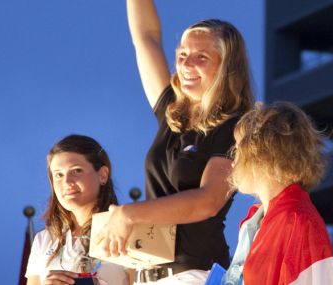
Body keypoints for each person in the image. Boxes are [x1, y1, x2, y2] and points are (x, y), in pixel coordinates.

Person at [92, 1, 254, 284]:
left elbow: (209, 201)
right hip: (149, 274)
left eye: (201, 57)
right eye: (182, 54)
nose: (186, 64)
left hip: (196, 274)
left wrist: (129, 214)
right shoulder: (172, 114)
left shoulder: (235, 127)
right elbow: (145, 37)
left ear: (226, 67)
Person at [221, 102, 333, 284]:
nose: (232, 160)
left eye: (237, 149)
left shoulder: (298, 221)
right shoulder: (254, 222)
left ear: (262, 154)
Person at [25, 134, 129, 285]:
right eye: (58, 175)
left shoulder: (127, 230)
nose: (67, 181)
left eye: (76, 171)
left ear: (102, 175)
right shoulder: (44, 240)